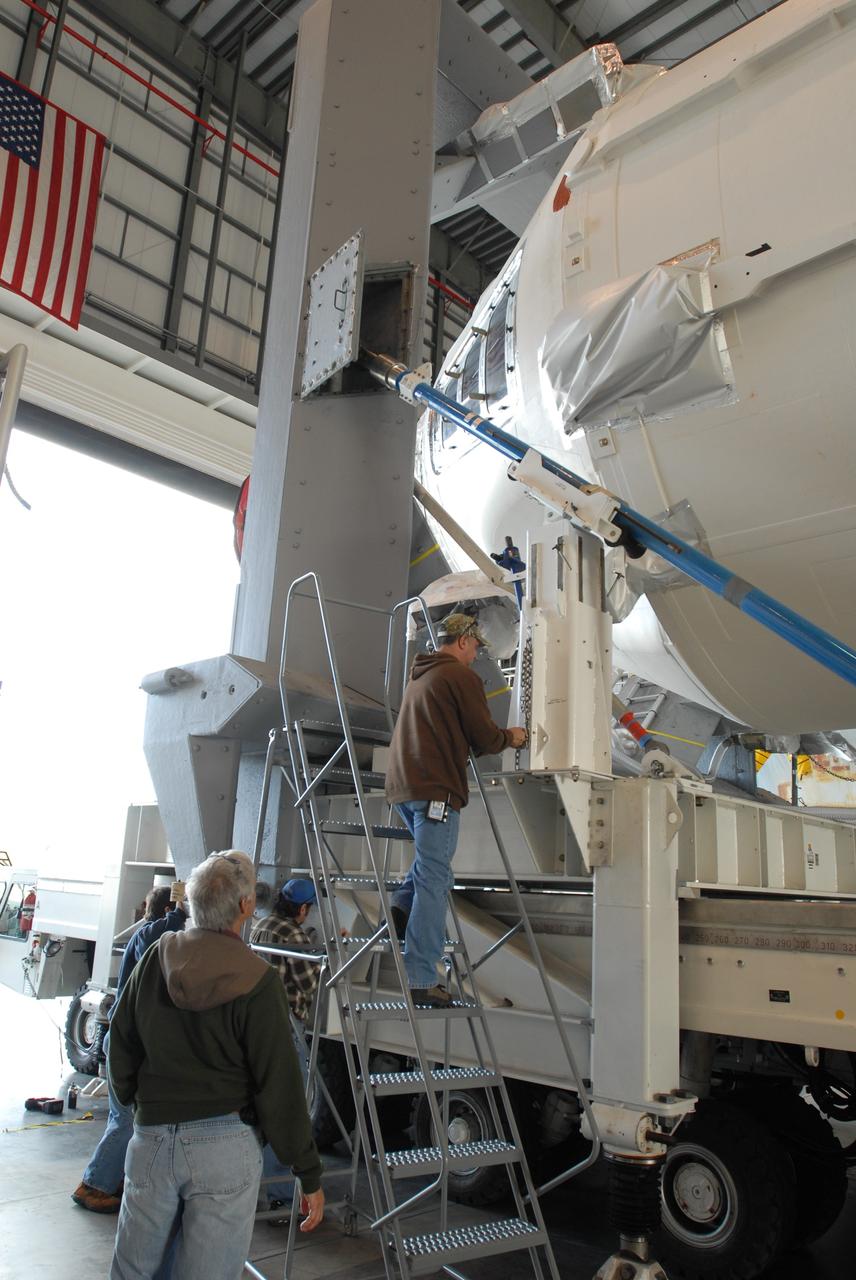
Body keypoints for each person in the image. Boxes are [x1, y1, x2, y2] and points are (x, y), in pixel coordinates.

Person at [109, 850, 324, 1280]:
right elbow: (278, 1085)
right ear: (246, 907)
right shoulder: (259, 980)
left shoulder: (156, 957)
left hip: (151, 1140)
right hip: (224, 1145)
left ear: (191, 901)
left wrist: (140, 1102)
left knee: (132, 1270)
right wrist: (308, 1172)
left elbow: (121, 1037)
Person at [385, 612, 527, 1006]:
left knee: (429, 867)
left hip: (403, 788)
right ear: (463, 641)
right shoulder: (460, 677)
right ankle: (420, 978)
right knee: (436, 879)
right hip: (436, 790)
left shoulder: (421, 675)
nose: (477, 654)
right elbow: (484, 737)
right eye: (477, 647)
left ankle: (397, 911)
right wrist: (513, 737)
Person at [72, 885, 178, 1214]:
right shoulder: (150, 934)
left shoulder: (144, 937)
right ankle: (94, 1185)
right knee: (126, 1121)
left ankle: (107, 1179)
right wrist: (182, 911)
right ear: (165, 913)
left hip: (124, 1039)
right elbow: (162, 932)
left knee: (126, 1119)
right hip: (126, 1041)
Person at [251, 878, 320, 1212]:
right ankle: (280, 1199)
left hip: (254, 1026)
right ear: (303, 909)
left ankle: (247, 1190)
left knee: (255, 1107)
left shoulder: (260, 925)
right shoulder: (293, 935)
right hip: (286, 1027)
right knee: (287, 1110)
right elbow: (309, 983)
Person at [491, 534, 526, 605]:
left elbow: (512, 558)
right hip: (516, 570)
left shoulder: (512, 555)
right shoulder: (510, 558)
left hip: (517, 569)